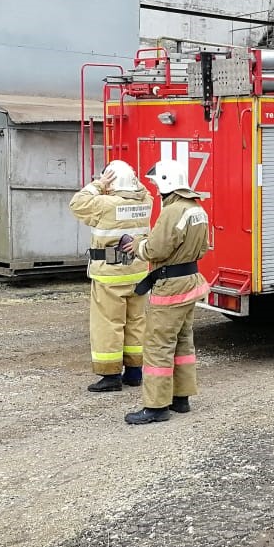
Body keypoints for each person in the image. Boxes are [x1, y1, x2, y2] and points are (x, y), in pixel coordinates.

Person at [119, 159, 210, 426]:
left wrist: (135, 245)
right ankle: (181, 397)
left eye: (158, 182)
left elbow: (155, 251)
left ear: (167, 183)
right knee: (183, 342)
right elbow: (203, 248)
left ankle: (156, 406)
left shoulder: (172, 212)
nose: (156, 187)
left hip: (170, 287)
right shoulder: (196, 209)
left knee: (158, 345)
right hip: (190, 283)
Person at [68, 160, 154, 392]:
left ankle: (110, 375)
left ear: (111, 181)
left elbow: (77, 204)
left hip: (110, 276)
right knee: (136, 322)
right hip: (137, 273)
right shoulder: (146, 201)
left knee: (109, 325)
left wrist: (98, 184)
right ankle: (135, 373)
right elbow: (142, 190)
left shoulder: (105, 203)